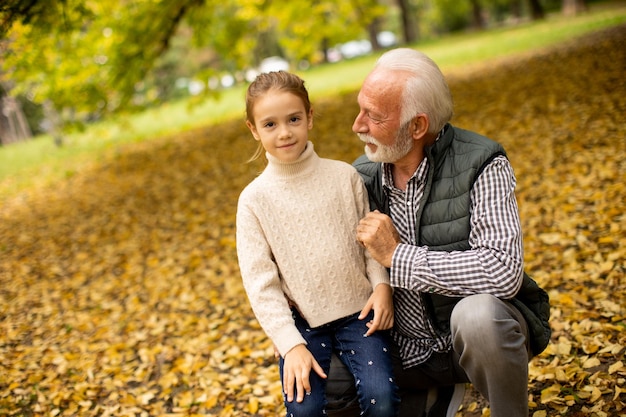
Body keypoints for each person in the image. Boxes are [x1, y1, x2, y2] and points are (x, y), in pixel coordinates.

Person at [324, 48, 551, 417]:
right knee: (322, 359)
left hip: (467, 346)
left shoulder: (481, 162)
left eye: (373, 115)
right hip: (398, 352)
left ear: (417, 126)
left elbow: (503, 272)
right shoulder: (358, 176)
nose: (357, 125)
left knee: (478, 318)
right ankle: (426, 398)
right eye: (360, 108)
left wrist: (398, 257)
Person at [236, 70, 400, 417]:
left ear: (309, 118)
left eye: (293, 119)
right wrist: (289, 343)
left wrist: (382, 286)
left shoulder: (344, 176)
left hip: (360, 312)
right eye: (270, 124)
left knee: (380, 396)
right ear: (253, 129)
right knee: (304, 407)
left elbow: (369, 241)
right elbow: (260, 284)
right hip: (301, 322)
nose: (284, 132)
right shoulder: (254, 200)